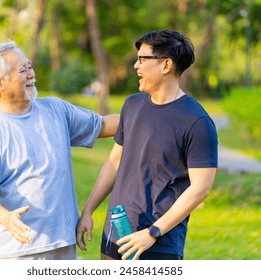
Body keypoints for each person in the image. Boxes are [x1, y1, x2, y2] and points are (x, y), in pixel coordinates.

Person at [0, 41, 119, 260]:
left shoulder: (56, 109)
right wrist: (5, 217)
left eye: (30, 66)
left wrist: (146, 113)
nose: (31, 74)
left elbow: (102, 125)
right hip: (17, 251)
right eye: (22, 70)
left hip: (63, 244)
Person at [76, 29, 218, 260]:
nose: (136, 66)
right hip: (116, 232)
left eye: (143, 59)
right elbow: (115, 160)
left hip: (159, 241)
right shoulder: (132, 105)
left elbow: (201, 187)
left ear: (166, 65)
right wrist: (88, 210)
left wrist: (153, 233)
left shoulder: (197, 122)